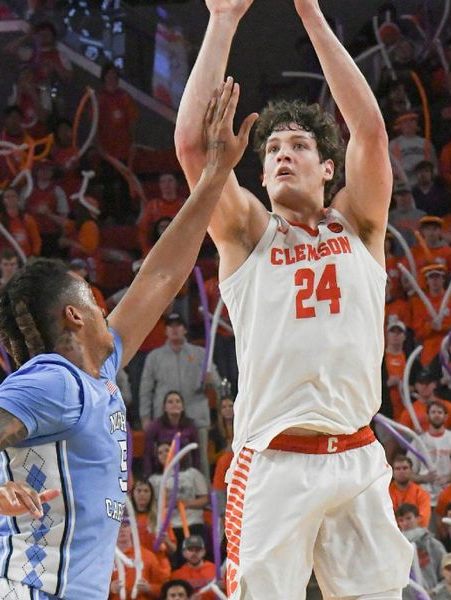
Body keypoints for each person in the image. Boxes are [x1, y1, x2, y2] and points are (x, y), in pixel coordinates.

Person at [0, 79, 256, 599]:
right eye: (97, 301)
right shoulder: (51, 382)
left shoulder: (96, 371)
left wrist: (215, 176)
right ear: (76, 317)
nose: (110, 309)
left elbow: (162, 276)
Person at [173, 0, 414, 596]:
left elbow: (373, 133)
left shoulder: (359, 226)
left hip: (358, 458)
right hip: (276, 462)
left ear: (329, 167)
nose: (282, 152)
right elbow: (193, 150)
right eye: (273, 148)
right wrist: (223, 20)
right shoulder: (249, 234)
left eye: (299, 145)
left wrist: (308, 9)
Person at [139, 313, 220, 477]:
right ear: (166, 330)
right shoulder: (155, 357)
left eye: (179, 325)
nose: (175, 329)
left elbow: (217, 383)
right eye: (171, 325)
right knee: (165, 459)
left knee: (201, 460)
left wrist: (211, 380)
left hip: (196, 413)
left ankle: (202, 497)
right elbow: (146, 389)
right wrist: (145, 417)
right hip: (165, 418)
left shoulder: (200, 353)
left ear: (185, 330)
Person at [143, 391, 201, 477]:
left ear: (182, 407)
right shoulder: (155, 426)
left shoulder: (191, 426)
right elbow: (148, 454)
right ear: (165, 408)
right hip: (161, 472)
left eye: (178, 401)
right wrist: (149, 476)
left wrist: (196, 474)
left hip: (185, 471)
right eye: (170, 402)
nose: (174, 404)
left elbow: (196, 454)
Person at [110, 518, 169, 599]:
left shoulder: (148, 556)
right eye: (116, 526)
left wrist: (149, 588)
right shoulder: (105, 558)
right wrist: (110, 588)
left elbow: (163, 588)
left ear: (132, 529)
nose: (121, 530)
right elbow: (94, 587)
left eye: (125, 526)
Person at [397, 503, 447, 597]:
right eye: (401, 520)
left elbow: (448, 576)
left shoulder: (434, 545)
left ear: (418, 518)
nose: (405, 523)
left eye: (408, 518)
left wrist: (435, 591)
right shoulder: (395, 548)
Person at [170, 535, 219, 600]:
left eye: (197, 550)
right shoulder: (176, 575)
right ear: (184, 553)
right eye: (190, 550)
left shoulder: (216, 570)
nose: (194, 553)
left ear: (204, 552)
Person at [390, 454, 432, 528]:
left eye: (405, 468)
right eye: (397, 469)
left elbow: (424, 519)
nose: (401, 471)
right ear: (392, 472)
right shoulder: (386, 493)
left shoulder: (422, 493)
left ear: (411, 471)